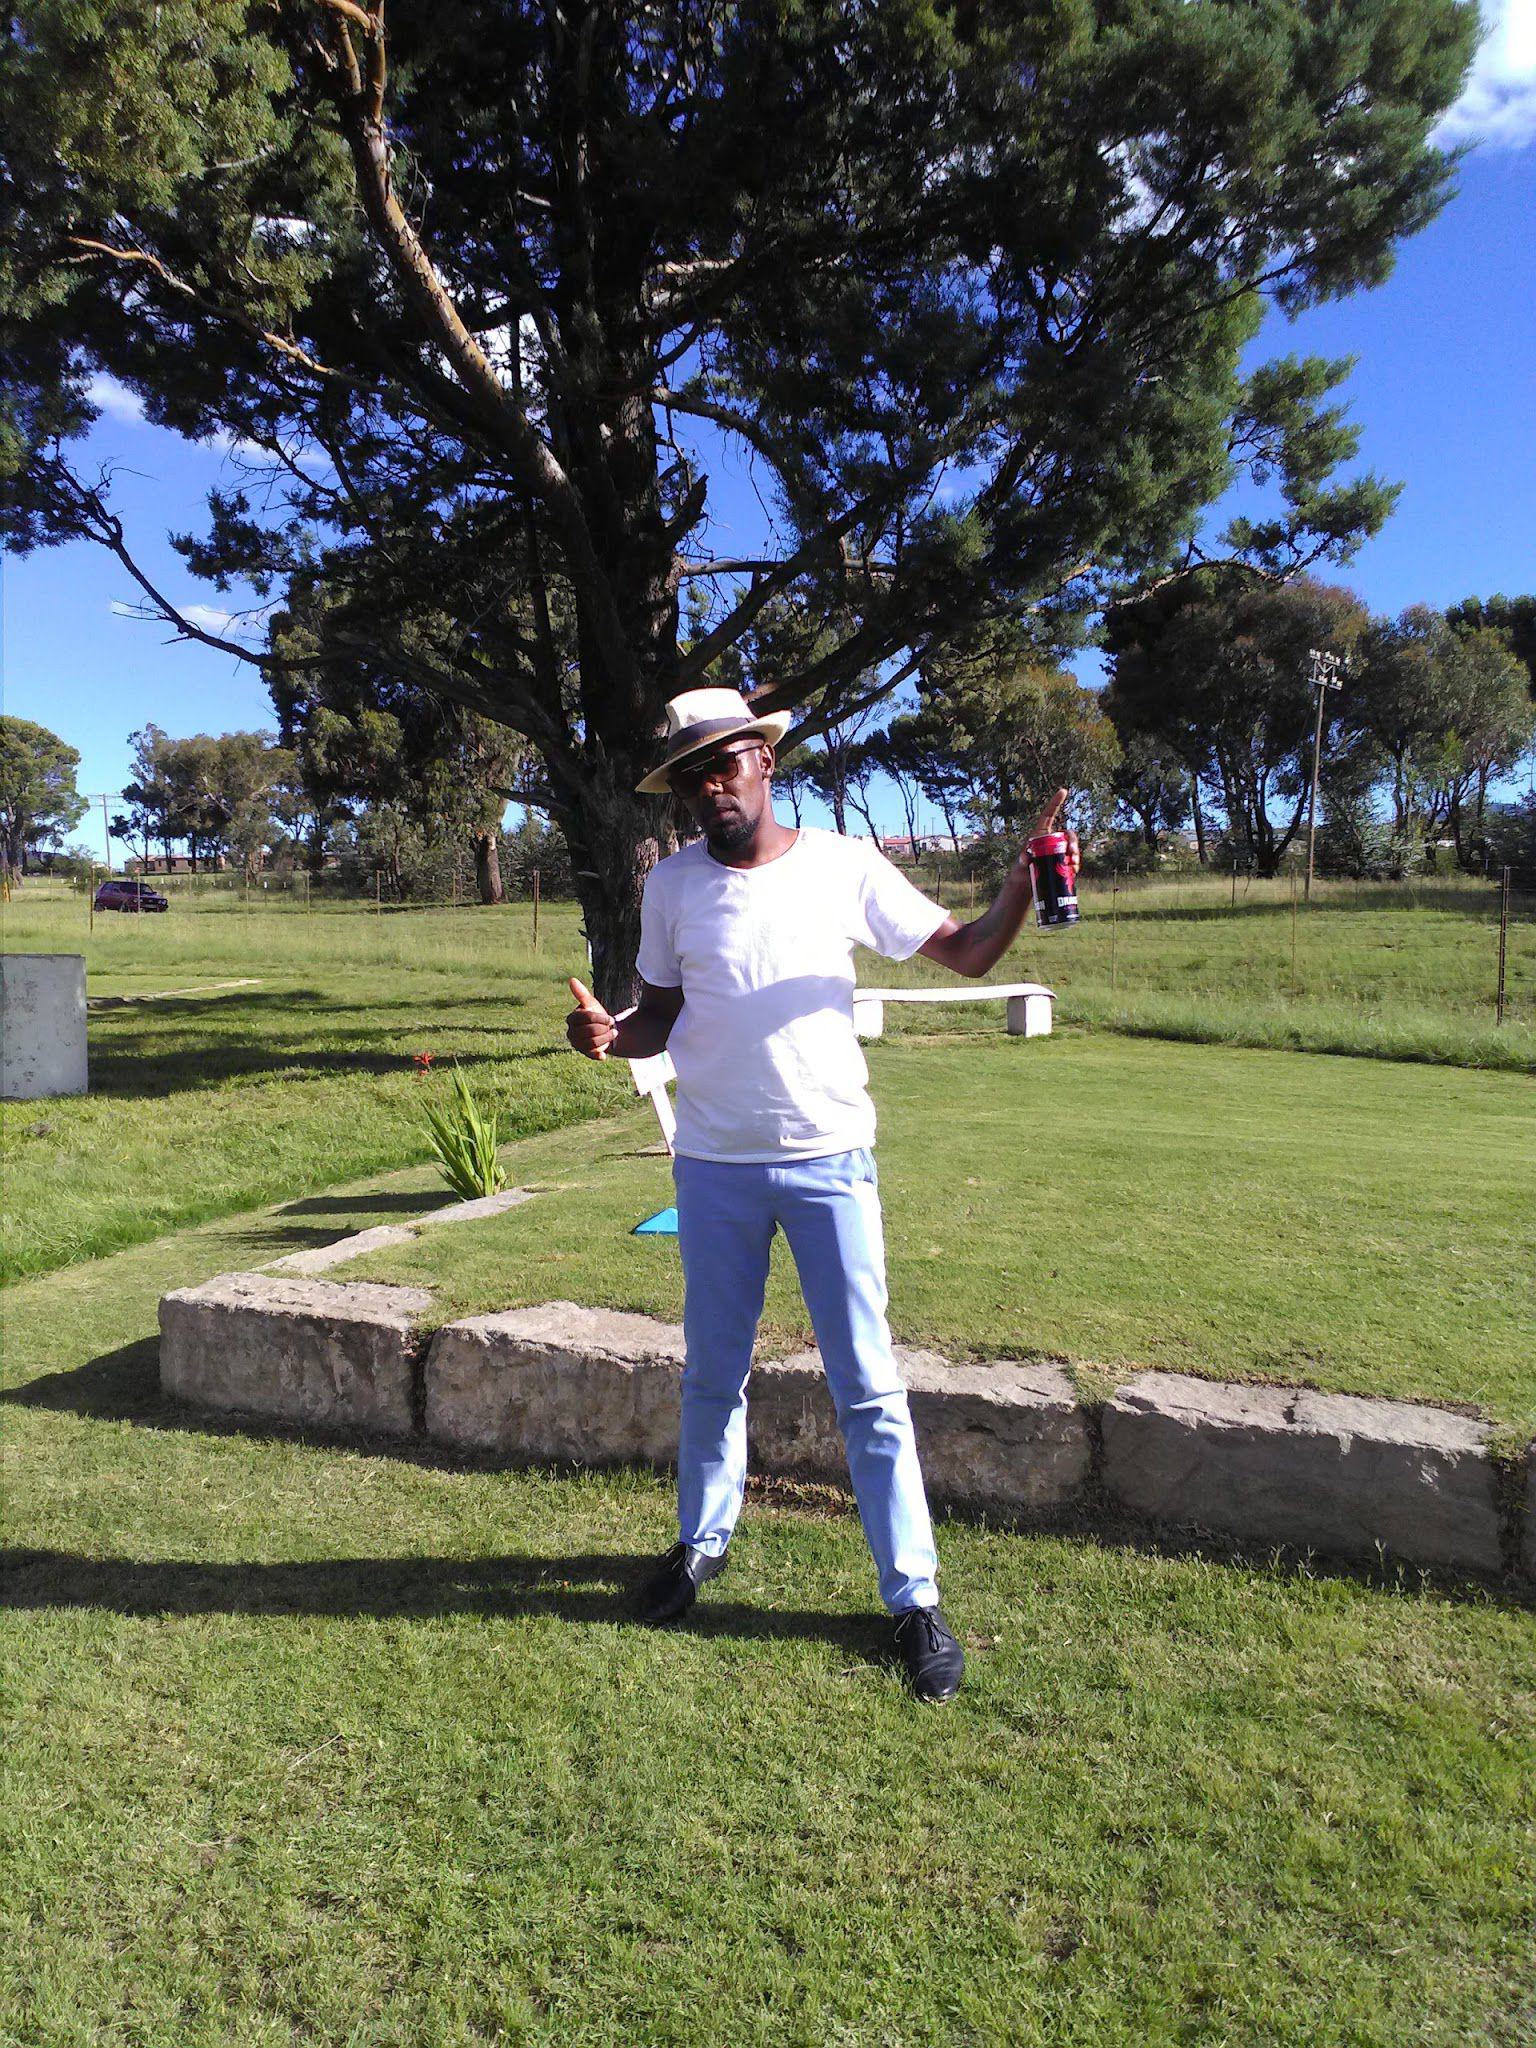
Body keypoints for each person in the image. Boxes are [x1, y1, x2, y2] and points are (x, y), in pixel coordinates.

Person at [566, 687, 1078, 1702]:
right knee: (712, 1374)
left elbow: (967, 949)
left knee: (869, 1388)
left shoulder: (844, 865)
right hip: (711, 1167)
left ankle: (913, 1598)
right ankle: (699, 1544)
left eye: (725, 763)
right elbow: (658, 1018)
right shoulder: (670, 887)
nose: (710, 787)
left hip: (829, 1159)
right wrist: (606, 1036)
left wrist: (1020, 883)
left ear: (765, 760)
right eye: (690, 774)